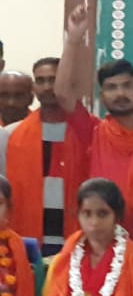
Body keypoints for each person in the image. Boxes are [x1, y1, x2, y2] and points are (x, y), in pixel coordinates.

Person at [56, 2, 133, 251]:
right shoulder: (93, 132)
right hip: (99, 243)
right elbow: (63, 94)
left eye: (127, 86)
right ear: (102, 96)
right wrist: (73, 39)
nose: (120, 93)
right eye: (111, 88)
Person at [6, 55, 87, 257]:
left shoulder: (88, 132)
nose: (47, 87)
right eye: (40, 81)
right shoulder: (12, 135)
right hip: (30, 241)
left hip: (79, 237)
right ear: (34, 88)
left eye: (53, 79)